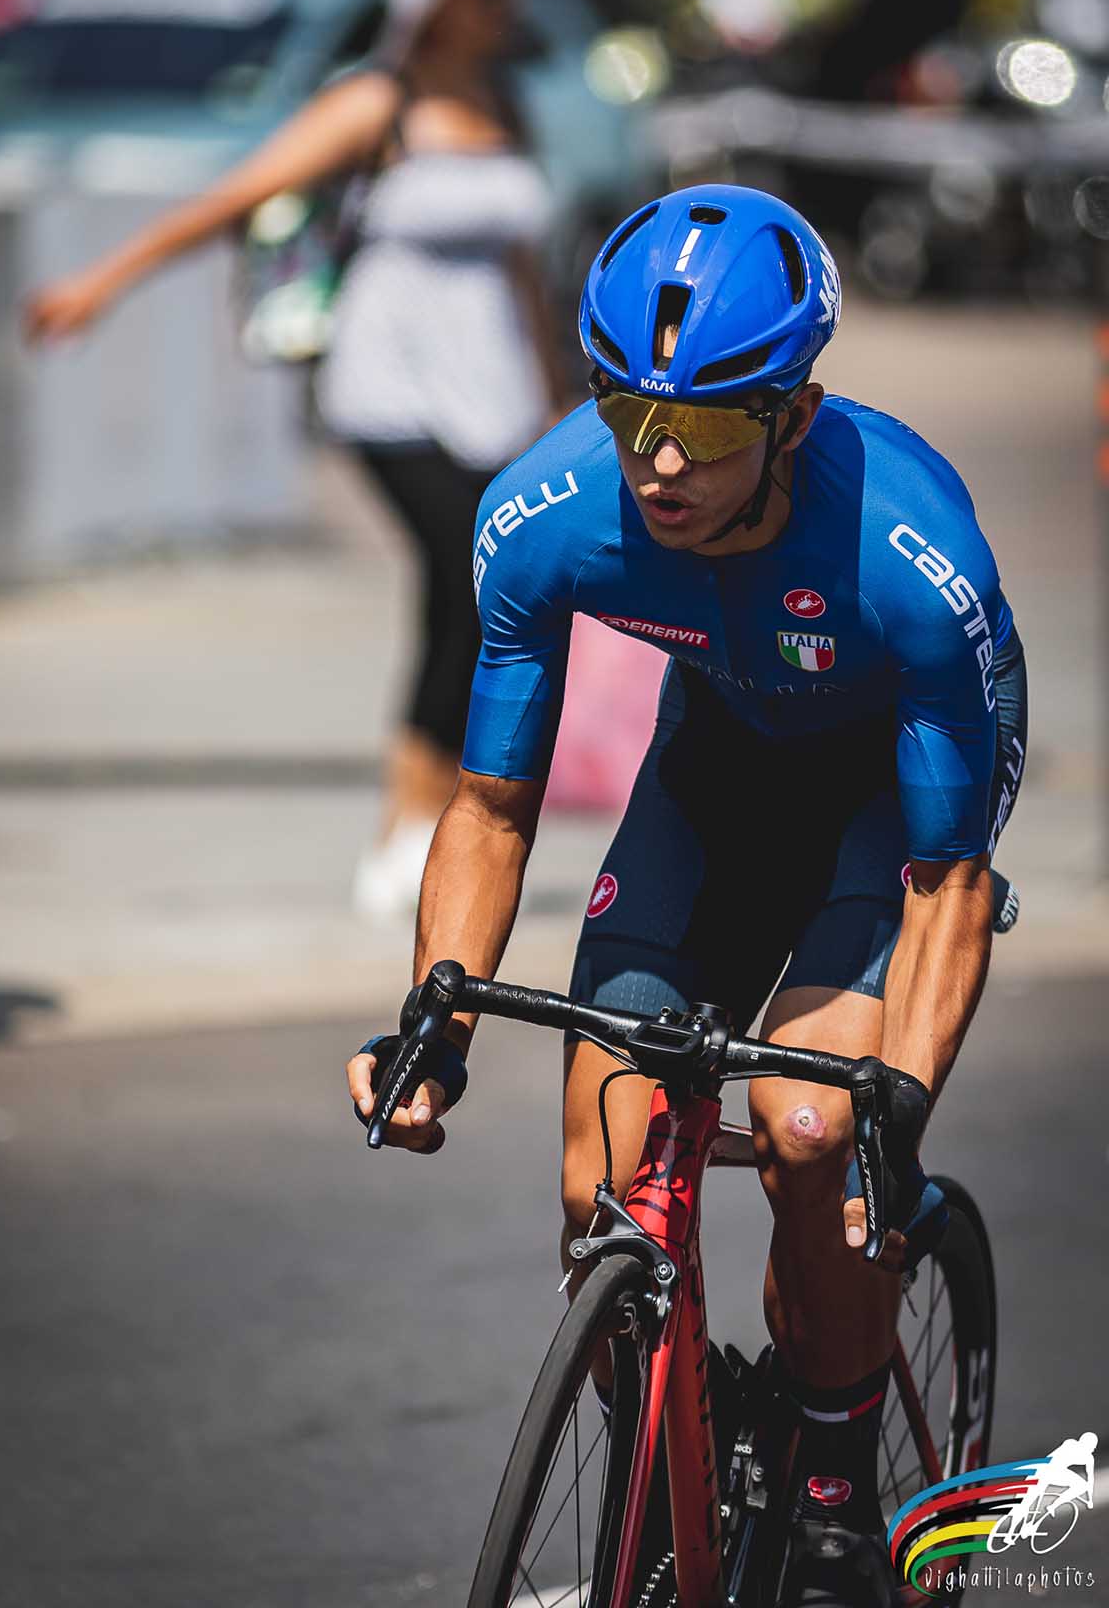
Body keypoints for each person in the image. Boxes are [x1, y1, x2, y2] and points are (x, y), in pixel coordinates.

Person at [347, 184, 1028, 1601]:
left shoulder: (913, 563)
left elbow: (952, 880)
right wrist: (434, 1025)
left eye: (709, 429)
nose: (659, 462)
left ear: (795, 415)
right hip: (719, 765)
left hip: (892, 802)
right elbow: (490, 806)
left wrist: (900, 1101)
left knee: (808, 1130)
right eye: (627, 413)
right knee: (601, 1180)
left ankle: (836, 1489)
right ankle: (681, 1454)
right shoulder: (543, 518)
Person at [24, 0, 566, 917]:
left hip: (493, 392)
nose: (508, 4)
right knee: (466, 577)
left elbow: (525, 272)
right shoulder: (375, 103)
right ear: (436, 4)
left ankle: (429, 820)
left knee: (481, 594)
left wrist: (558, 401)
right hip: (391, 388)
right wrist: (99, 284)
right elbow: (230, 201)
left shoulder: (506, 102)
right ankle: (409, 825)